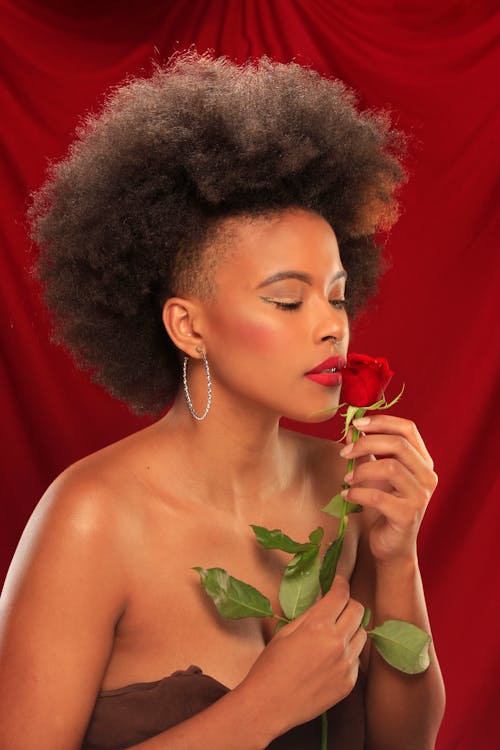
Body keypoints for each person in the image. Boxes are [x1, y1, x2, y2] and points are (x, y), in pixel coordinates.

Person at [0, 52, 445, 749]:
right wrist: (261, 709)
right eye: (288, 299)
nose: (331, 325)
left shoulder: (345, 486)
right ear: (189, 326)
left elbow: (405, 744)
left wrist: (398, 556)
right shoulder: (91, 519)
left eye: (336, 296)